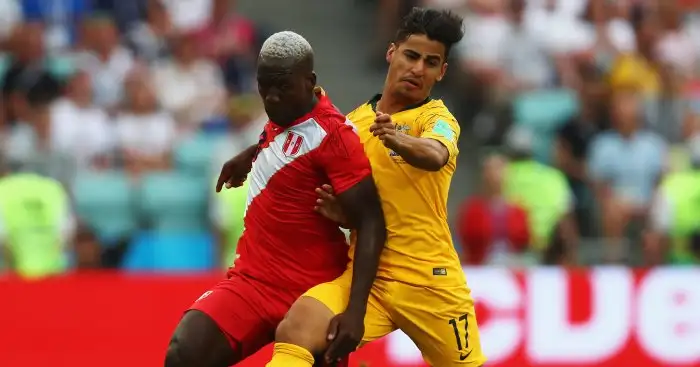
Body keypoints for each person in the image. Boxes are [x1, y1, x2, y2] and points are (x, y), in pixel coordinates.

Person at [219, 8, 486, 367]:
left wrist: (398, 140)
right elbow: (304, 137)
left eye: (431, 62)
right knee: (297, 328)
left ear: (442, 72)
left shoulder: (436, 119)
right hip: (369, 275)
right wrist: (252, 153)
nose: (418, 68)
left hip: (431, 283)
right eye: (411, 55)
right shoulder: (355, 122)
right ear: (392, 52)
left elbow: (436, 154)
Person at [165, 31, 387, 367]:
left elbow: (372, 223)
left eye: (281, 87)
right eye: (263, 86)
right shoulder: (283, 115)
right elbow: (287, 139)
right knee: (184, 353)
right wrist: (252, 153)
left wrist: (355, 313)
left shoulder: (336, 138)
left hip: (313, 295)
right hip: (252, 283)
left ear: (310, 81)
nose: (271, 98)